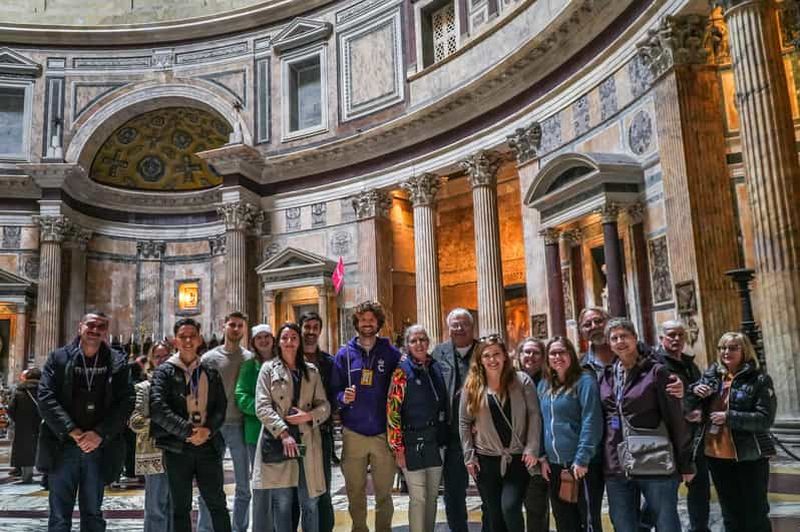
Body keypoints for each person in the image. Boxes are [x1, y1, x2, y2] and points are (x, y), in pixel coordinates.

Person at [37, 311, 135, 532]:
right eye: (91, 325)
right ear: (80, 326)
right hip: (63, 446)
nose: (95, 330)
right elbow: (45, 397)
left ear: (106, 332)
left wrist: (100, 433)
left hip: (99, 448)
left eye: (101, 327)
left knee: (93, 513)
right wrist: (72, 430)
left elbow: (126, 401)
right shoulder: (59, 358)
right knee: (59, 514)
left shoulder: (117, 361)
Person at [600, 318, 694, 532]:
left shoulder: (656, 372)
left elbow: (675, 418)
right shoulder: (606, 376)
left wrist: (685, 463)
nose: (620, 341)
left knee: (666, 523)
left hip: (654, 458)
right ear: (609, 344)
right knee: (623, 525)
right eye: (614, 338)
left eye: (624, 336)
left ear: (635, 338)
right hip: (617, 462)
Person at [687, 332, 776, 532]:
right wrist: (693, 393)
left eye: (733, 348)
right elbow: (686, 407)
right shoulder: (711, 377)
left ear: (745, 351)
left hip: (749, 455)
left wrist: (729, 417)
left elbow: (765, 419)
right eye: (722, 348)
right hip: (716, 456)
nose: (726, 352)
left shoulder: (759, 379)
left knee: (755, 514)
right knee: (730, 514)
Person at [150, 318, 231, 532]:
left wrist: (208, 430)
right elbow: (158, 408)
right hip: (178, 447)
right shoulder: (164, 372)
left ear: (199, 339)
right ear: (175, 341)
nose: (188, 340)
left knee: (217, 503)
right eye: (183, 336)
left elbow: (221, 407)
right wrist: (187, 431)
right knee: (180, 507)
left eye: (192, 336)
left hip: (208, 446)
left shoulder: (210, 371)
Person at [332, 300, 402, 532]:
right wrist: (343, 397)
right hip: (354, 433)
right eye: (363, 320)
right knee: (355, 491)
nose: (367, 323)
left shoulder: (390, 353)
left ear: (378, 322)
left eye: (371, 319)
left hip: (383, 433)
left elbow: (401, 386)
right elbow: (334, 391)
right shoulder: (344, 354)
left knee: (384, 493)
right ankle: (359, 528)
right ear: (357, 323)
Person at [253, 322, 330, 532]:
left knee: (310, 502)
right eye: (285, 338)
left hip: (307, 441)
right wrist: (283, 432)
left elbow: (324, 405)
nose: (289, 342)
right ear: (278, 342)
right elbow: (262, 407)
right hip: (281, 443)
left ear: (299, 342)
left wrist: (309, 416)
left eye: (294, 338)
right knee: (283, 503)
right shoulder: (268, 369)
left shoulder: (312, 371)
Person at [460, 335, 541, 532]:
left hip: (517, 457)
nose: (492, 359)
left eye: (496, 354)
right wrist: (469, 456)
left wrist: (532, 447)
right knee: (494, 514)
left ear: (505, 355)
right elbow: (464, 422)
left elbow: (534, 415)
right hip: (486, 459)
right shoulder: (472, 386)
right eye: (486, 355)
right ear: (480, 360)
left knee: (510, 507)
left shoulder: (522, 381)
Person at [386, 324, 448, 532]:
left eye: (422, 339)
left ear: (428, 342)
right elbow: (393, 412)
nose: (419, 344)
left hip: (434, 440)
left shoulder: (435, 367)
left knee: (432, 496)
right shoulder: (401, 372)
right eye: (413, 340)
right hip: (410, 442)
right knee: (418, 497)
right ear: (407, 345)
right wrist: (398, 448)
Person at [537, 337, 602, 531]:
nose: (557, 357)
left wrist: (582, 458)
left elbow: (591, 421)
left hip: (581, 465)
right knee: (564, 522)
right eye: (553, 353)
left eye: (561, 352)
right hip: (555, 466)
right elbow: (540, 422)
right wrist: (542, 457)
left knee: (588, 521)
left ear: (571, 355)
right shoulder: (544, 385)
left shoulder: (585, 381)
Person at [649, 320, 708, 532]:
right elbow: (657, 399)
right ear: (661, 338)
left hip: (695, 437)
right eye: (671, 335)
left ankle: (700, 529)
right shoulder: (655, 365)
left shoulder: (689, 364)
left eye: (680, 335)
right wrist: (685, 410)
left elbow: (698, 394)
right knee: (665, 493)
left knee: (700, 488)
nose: (676, 339)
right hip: (669, 437)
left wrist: (702, 409)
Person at [199, 311, 253, 532]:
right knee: (209, 483)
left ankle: (239, 528)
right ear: (224, 326)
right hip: (214, 427)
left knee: (244, 485)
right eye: (232, 325)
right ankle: (206, 528)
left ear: (244, 329)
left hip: (239, 424)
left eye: (240, 325)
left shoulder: (249, 358)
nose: (236, 329)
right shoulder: (209, 358)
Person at [432, 308, 482, 532]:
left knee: (489, 492)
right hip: (452, 436)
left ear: (473, 326)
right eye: (455, 325)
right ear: (448, 328)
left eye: (464, 324)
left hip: (483, 436)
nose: (460, 328)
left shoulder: (484, 351)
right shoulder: (438, 353)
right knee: (453, 493)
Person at [129, 340, 173, 532]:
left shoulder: (181, 383)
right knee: (155, 505)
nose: (162, 360)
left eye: (165, 356)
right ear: (151, 359)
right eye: (157, 356)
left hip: (177, 451)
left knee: (176, 505)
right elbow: (135, 421)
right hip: (152, 451)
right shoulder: (144, 387)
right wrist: (164, 424)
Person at [235, 324, 275, 532]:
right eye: (259, 338)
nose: (264, 341)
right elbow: (241, 396)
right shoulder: (249, 367)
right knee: (260, 483)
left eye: (267, 336)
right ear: (253, 342)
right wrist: (264, 410)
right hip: (256, 431)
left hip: (282, 431)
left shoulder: (281, 362)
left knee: (282, 485)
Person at [299, 311, 336, 532]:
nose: (311, 332)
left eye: (315, 327)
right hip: (295, 433)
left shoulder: (328, 362)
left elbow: (333, 395)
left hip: (322, 432)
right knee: (294, 491)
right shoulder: (291, 359)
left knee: (322, 488)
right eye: (307, 327)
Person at [517, 337, 550, 532]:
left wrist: (541, 453)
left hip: (541, 455)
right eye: (526, 352)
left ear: (543, 357)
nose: (530, 356)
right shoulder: (510, 380)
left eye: (536, 352)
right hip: (514, 453)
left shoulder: (549, 382)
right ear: (519, 355)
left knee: (537, 509)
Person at [8, 367, 42, 483]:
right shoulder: (45, 391)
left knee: (25, 449)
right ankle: (46, 476)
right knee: (43, 448)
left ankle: (27, 476)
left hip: (23, 426)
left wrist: (19, 421)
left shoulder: (19, 391)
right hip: (42, 424)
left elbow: (11, 409)